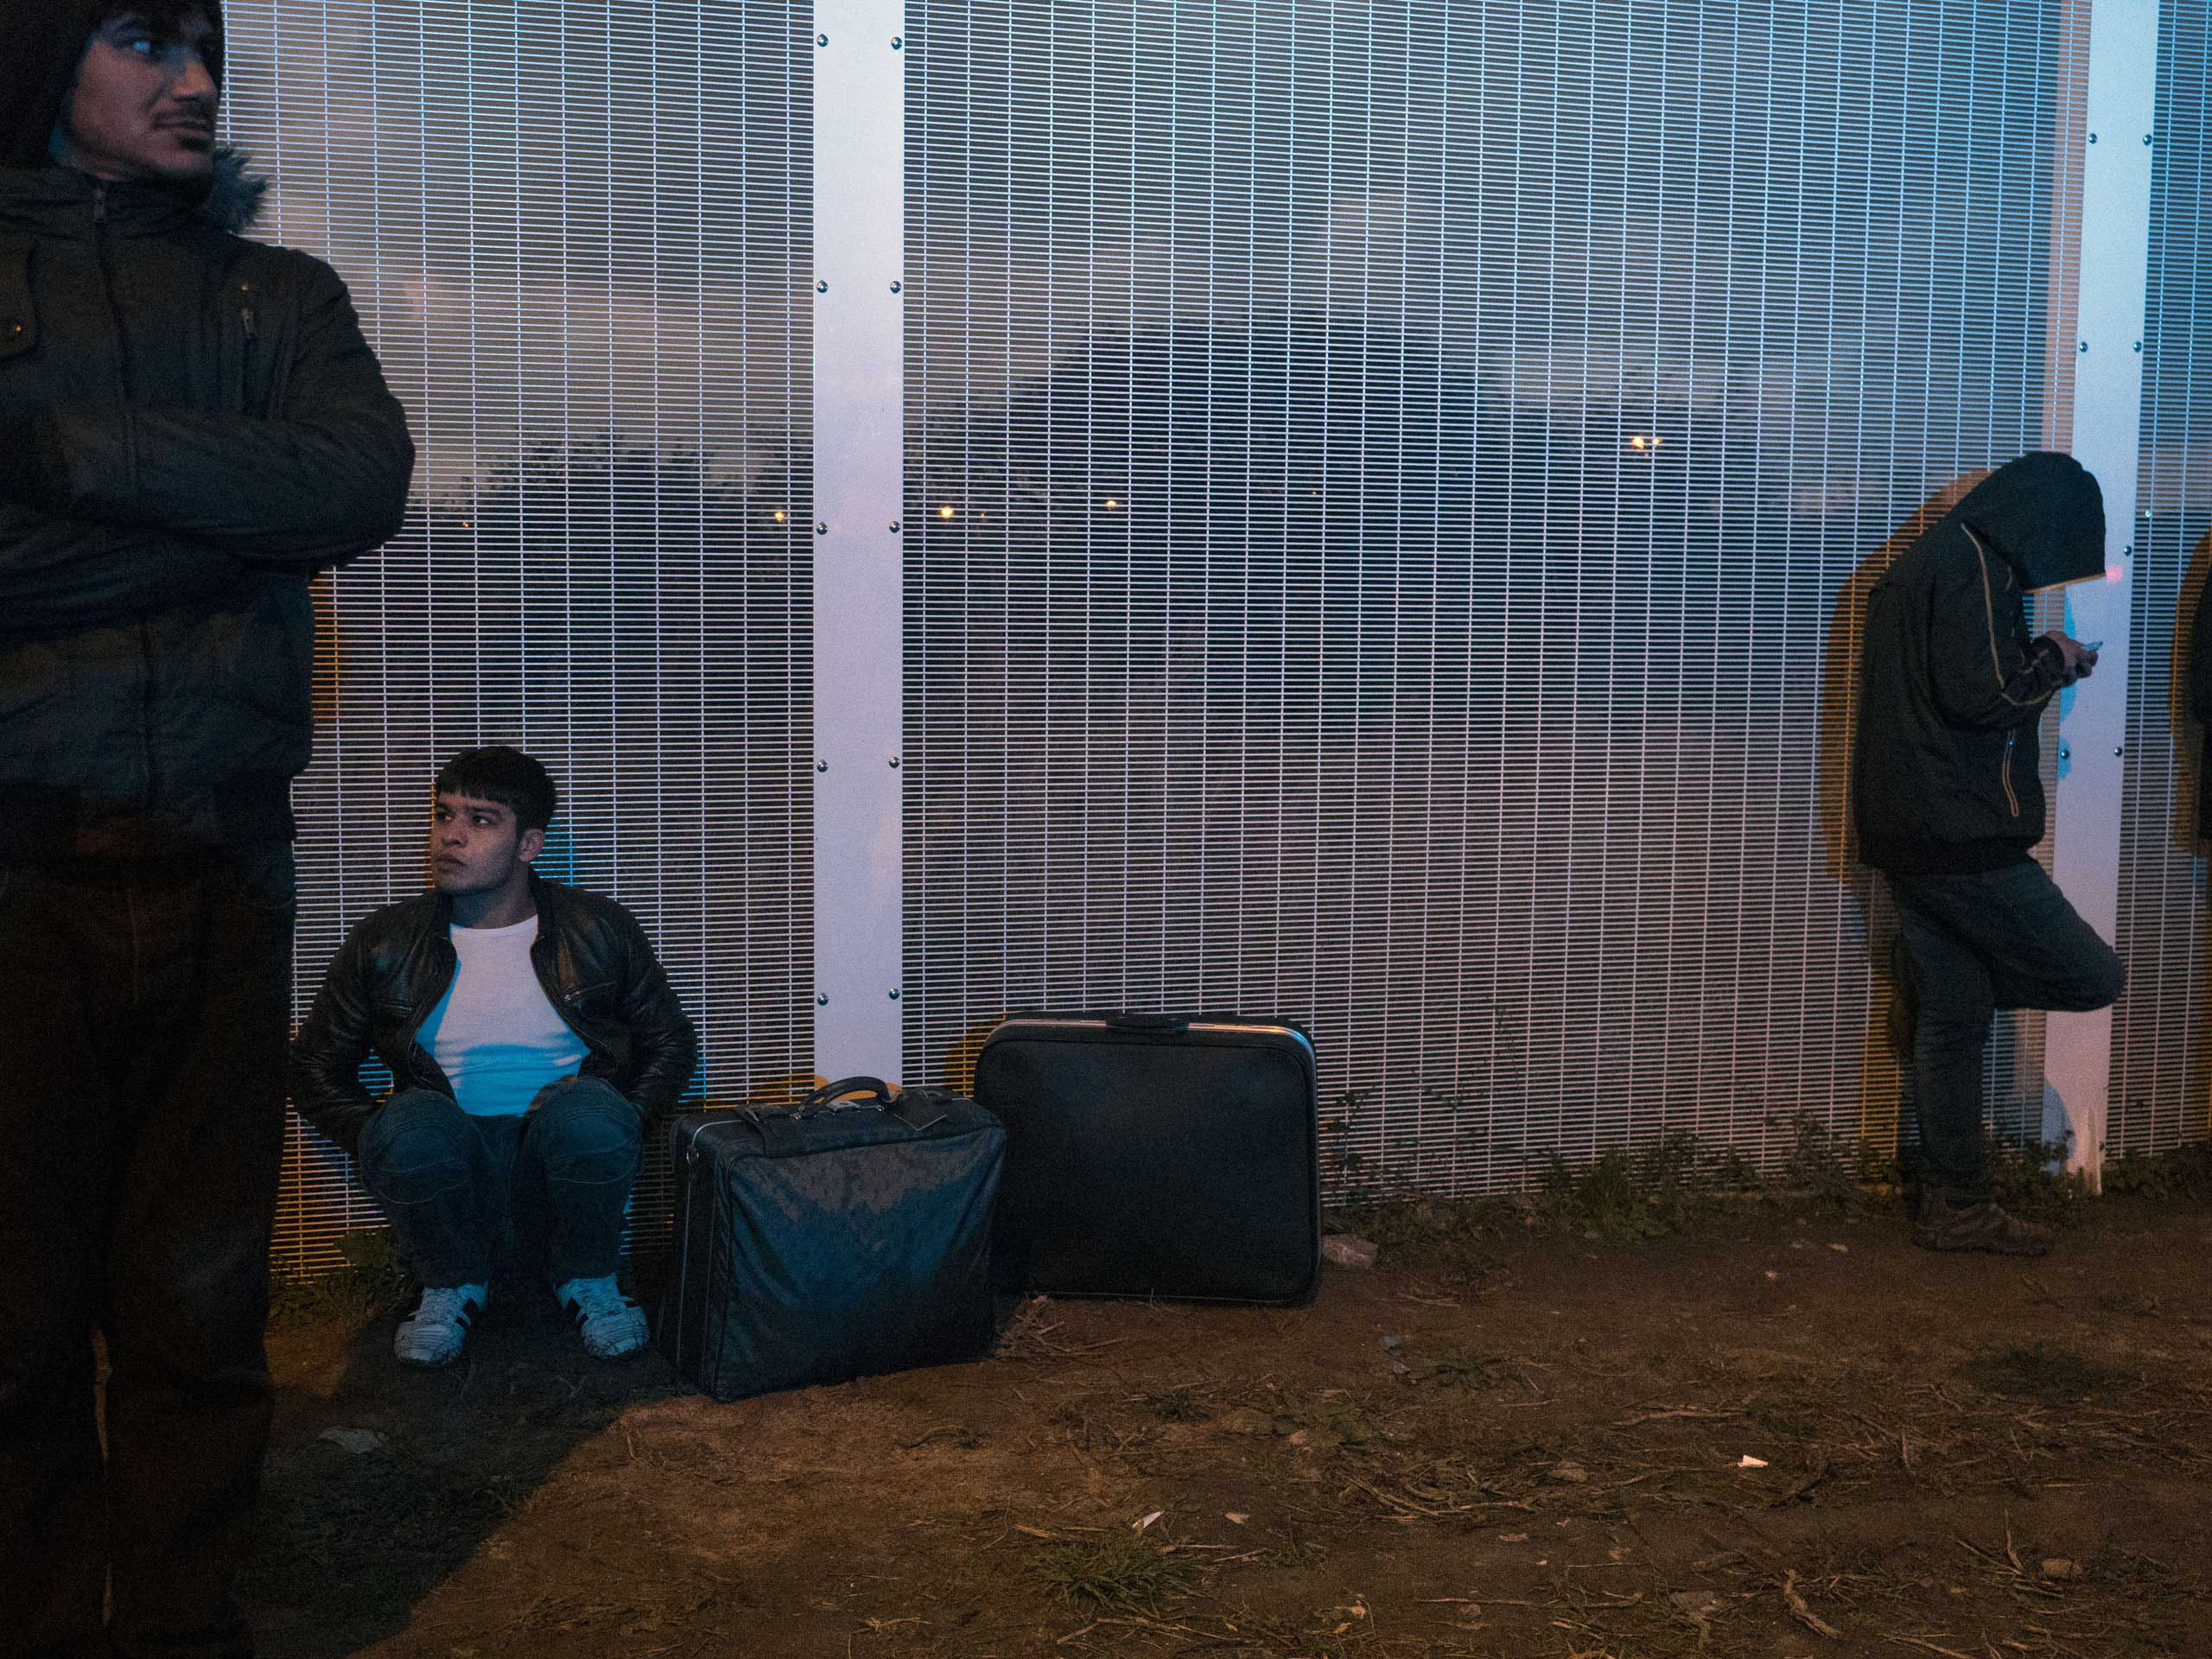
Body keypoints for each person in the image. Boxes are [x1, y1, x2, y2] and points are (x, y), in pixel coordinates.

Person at [0, 3, 416, 1654]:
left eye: (205, 47)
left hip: (226, 867)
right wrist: (228, 531)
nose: (195, 82)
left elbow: (354, 489)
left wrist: (56, 452)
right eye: (144, 42)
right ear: (38, 64)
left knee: (202, 1305)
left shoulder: (278, 295)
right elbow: (285, 509)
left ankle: (184, 1626)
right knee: (12, 1320)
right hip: (13, 870)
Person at [289, 746, 699, 1367]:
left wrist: (624, 1123)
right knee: (409, 1120)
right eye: (443, 815)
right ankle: (450, 1283)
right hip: (452, 1156)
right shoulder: (386, 940)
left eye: (480, 821)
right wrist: (381, 1138)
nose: (450, 836)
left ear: (529, 844)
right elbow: (316, 1065)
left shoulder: (599, 929)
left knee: (590, 1109)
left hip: (562, 1150)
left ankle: (589, 1278)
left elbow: (670, 1042)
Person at [1854, 451, 2126, 1255]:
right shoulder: (1974, 569)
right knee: (2091, 974)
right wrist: (2055, 658)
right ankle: (1920, 980)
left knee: (1956, 1021)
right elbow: (1985, 697)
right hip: (1959, 834)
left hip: (1912, 828)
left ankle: (1956, 1205)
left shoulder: (1939, 560)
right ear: (2035, 522)